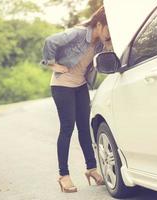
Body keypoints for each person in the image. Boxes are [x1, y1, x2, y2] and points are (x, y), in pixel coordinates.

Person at [41, 6, 112, 193]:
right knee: (67, 128)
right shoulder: (78, 33)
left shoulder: (100, 43)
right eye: (108, 28)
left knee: (84, 128)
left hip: (80, 86)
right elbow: (50, 41)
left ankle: (91, 169)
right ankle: (63, 175)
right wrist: (53, 65)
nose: (109, 33)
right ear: (98, 24)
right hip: (62, 85)